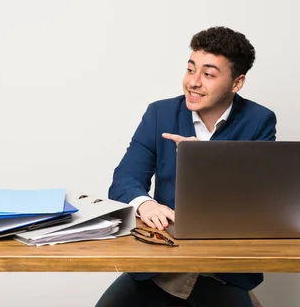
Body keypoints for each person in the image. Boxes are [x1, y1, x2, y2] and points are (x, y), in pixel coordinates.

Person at [95, 26, 277, 307]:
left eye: (208, 74)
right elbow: (124, 180)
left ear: (237, 83)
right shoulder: (160, 113)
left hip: (222, 269)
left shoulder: (259, 120)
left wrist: (208, 160)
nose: (193, 82)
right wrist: (146, 205)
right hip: (161, 264)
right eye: (191, 69)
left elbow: (261, 199)